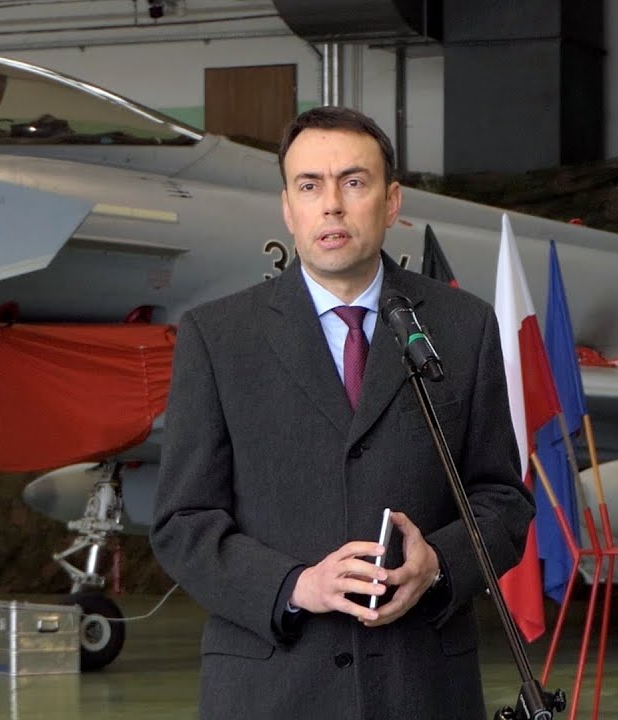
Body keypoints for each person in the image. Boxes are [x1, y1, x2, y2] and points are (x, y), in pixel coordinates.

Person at [151, 106, 534, 720]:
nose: (331, 205)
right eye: (310, 185)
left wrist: (438, 563)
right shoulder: (218, 336)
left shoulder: (462, 327)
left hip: (423, 688)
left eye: (354, 182)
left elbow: (502, 500)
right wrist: (295, 586)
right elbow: (182, 522)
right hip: (271, 692)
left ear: (391, 202)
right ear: (287, 208)